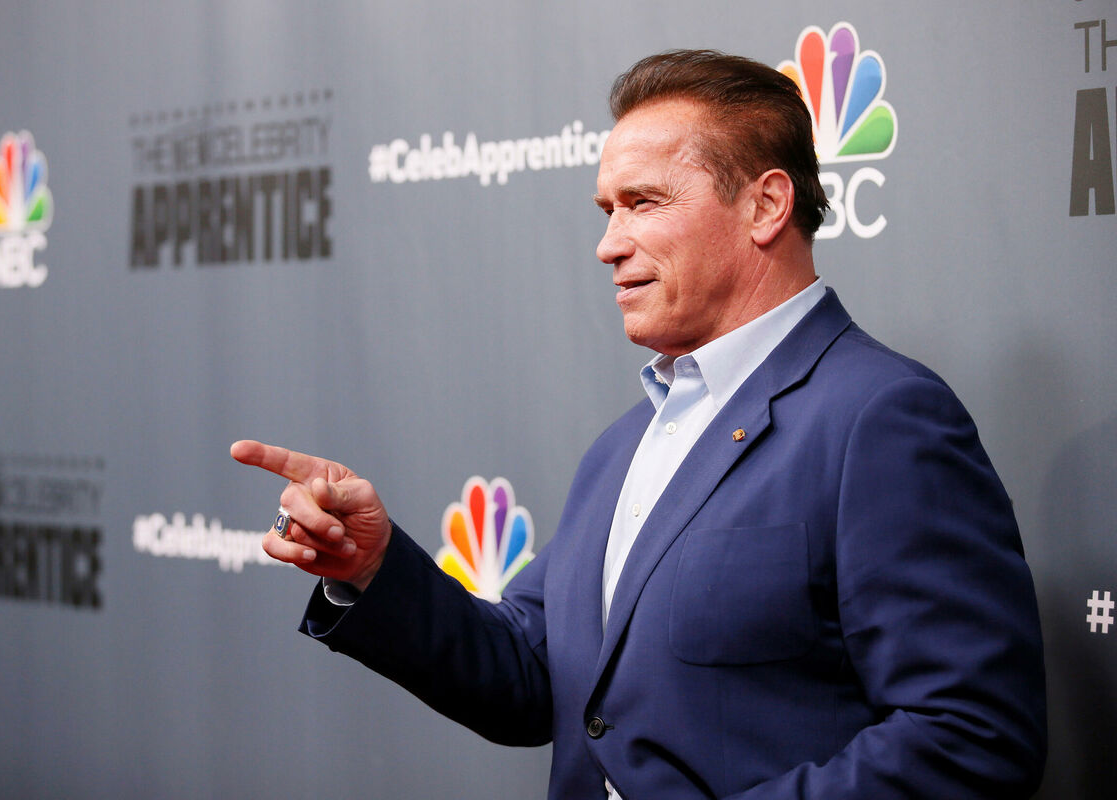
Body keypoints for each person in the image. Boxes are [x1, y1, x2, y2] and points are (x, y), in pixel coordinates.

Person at [232, 50, 1047, 799]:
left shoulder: (881, 418)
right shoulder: (626, 444)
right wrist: (374, 567)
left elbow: (971, 737)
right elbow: (533, 674)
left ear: (766, 204)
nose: (608, 244)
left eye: (643, 204)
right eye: (606, 210)